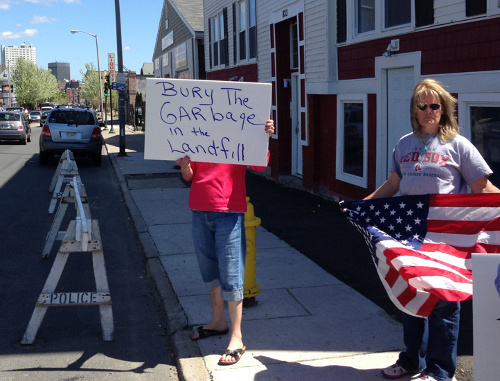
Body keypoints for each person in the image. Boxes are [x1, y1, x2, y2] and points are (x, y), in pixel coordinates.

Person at [364, 79, 500, 381]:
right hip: (410, 237)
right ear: (414, 109)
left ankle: (439, 371)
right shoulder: (403, 144)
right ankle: (411, 360)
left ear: (444, 109)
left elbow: (483, 188)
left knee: (445, 305)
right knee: (412, 299)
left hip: (446, 240)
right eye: (421, 105)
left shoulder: (460, 145)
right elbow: (393, 185)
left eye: (434, 105)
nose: (428, 111)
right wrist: (362, 205)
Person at [176, 119, 275, 366]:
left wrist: (264, 137)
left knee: (231, 274)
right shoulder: (200, 133)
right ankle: (218, 322)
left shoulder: (241, 134)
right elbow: (189, 176)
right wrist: (185, 166)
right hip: (199, 210)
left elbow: (260, 165)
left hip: (229, 212)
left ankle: (237, 336)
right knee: (209, 270)